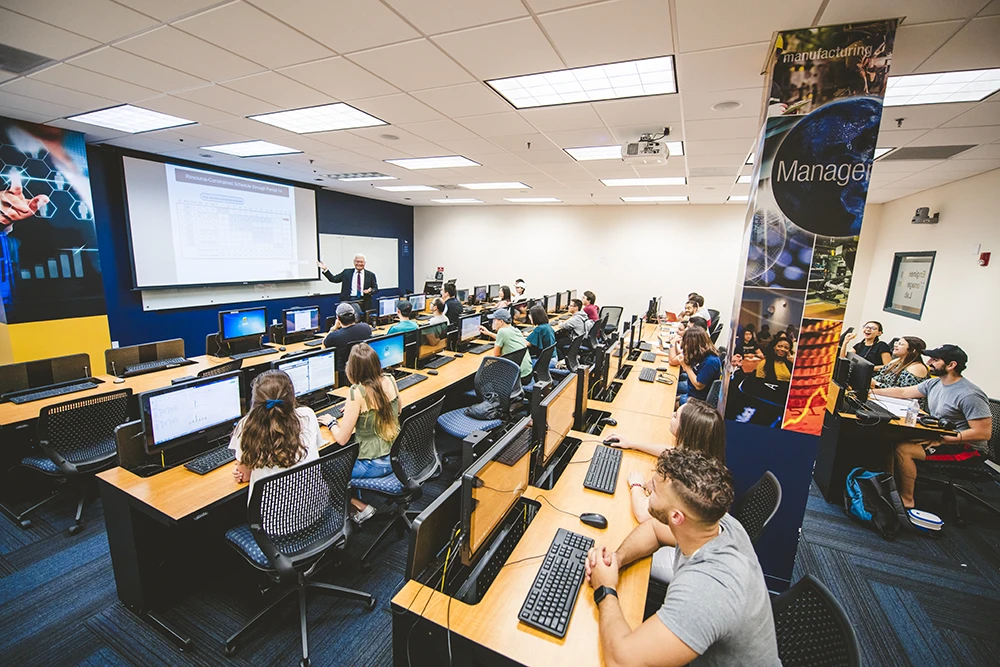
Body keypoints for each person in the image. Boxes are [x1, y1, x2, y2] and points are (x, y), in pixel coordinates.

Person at [584, 448, 780, 667]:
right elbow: (654, 530)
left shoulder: (706, 591)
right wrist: (617, 560)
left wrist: (605, 588)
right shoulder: (713, 523)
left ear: (676, 517)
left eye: (655, 491)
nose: (649, 489)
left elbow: (621, 662)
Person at [873, 345, 992, 511]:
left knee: (904, 450)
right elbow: (903, 392)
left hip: (968, 448)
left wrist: (943, 440)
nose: (929, 362)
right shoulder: (935, 383)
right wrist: (872, 393)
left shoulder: (970, 394)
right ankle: (891, 489)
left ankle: (907, 499)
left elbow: (983, 433)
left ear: (951, 365)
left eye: (935, 360)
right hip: (943, 437)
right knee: (890, 439)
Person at [322, 343, 401, 524]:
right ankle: (355, 507)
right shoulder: (390, 379)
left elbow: (342, 439)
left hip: (373, 464)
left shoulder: (356, 392)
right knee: (349, 457)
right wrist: (354, 411)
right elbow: (398, 411)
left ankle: (359, 506)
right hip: (395, 457)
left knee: (325, 472)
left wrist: (332, 422)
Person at [230, 370, 322, 496]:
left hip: (271, 515)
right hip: (314, 508)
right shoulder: (307, 415)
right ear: (292, 397)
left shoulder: (246, 426)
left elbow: (244, 476)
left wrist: (238, 471)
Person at [478, 307, 533, 383]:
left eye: (494, 320)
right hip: (526, 374)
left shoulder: (502, 331)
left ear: (501, 322)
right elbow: (505, 338)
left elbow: (496, 355)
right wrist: (489, 333)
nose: (492, 322)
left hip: (517, 378)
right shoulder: (514, 329)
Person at [671, 327, 721, 404]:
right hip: (691, 394)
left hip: (698, 401)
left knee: (669, 405)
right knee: (670, 399)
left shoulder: (710, 362)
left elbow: (698, 386)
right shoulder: (700, 353)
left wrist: (686, 366)